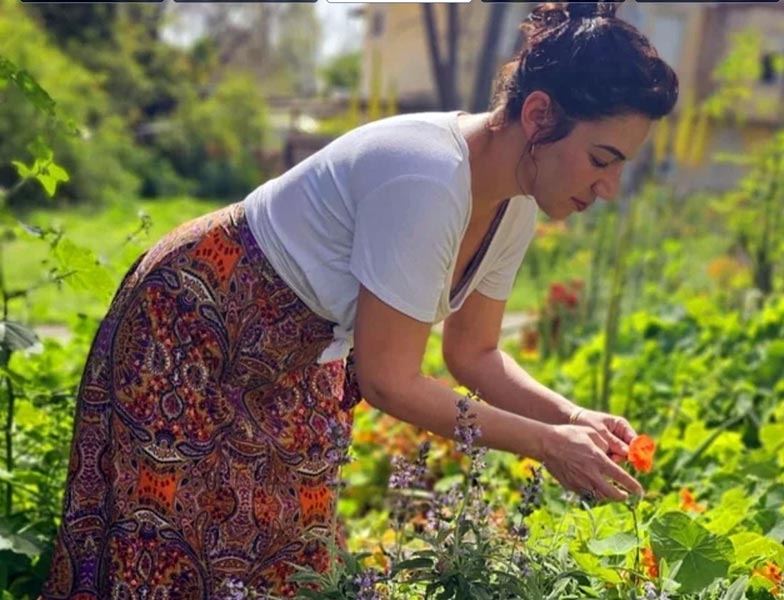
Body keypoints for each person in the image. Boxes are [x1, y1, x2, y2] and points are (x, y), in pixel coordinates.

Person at [41, 2, 678, 598]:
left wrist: (571, 419)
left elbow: (474, 353)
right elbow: (389, 381)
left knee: (289, 565)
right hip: (190, 321)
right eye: (603, 159)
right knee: (161, 553)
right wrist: (545, 445)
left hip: (303, 352)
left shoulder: (515, 205)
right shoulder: (427, 176)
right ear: (539, 116)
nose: (611, 187)